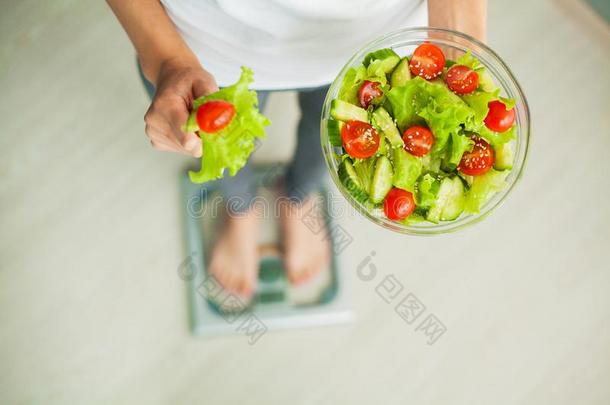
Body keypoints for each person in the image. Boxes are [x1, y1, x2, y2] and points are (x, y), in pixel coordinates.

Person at [107, 0, 486, 300]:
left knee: (336, 148)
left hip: (374, 46)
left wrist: (459, 51)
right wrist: (168, 59)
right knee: (217, 150)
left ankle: (299, 198)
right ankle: (241, 208)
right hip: (205, 45)